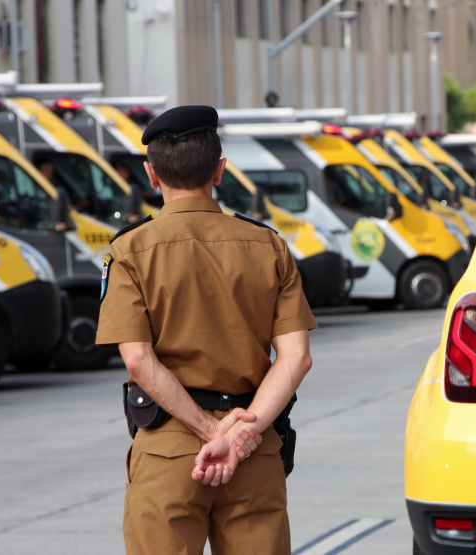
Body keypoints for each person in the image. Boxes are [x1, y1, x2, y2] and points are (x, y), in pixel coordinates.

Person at [95, 105, 317, 555]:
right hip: (253, 446)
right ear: (219, 170)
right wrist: (235, 436)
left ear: (151, 175)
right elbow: (296, 357)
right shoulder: (269, 245)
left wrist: (206, 430)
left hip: (169, 451)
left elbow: (138, 358)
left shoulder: (130, 250)